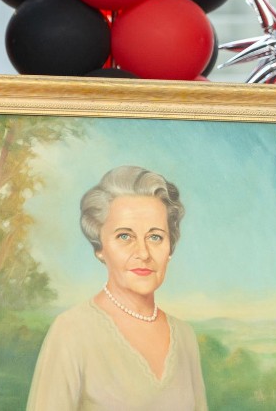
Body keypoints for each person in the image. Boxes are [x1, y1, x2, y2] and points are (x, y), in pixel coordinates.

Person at [26, 166, 208, 411]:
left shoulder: (185, 337)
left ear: (170, 248)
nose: (143, 253)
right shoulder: (71, 331)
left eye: (155, 237)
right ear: (100, 247)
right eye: (125, 236)